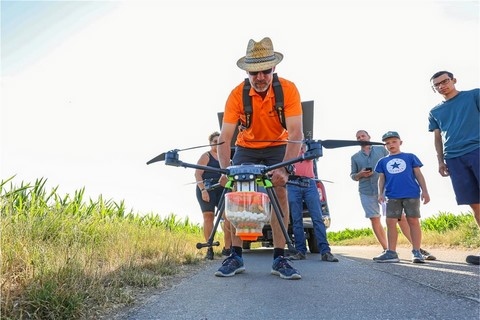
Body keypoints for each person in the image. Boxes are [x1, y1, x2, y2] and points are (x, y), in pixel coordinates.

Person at [215, 37, 304, 280]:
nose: (260, 77)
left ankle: (279, 257)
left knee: (280, 191)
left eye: (265, 70)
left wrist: (285, 170)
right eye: (254, 72)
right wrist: (226, 171)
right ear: (247, 71)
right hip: (247, 147)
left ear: (273, 68)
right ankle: (235, 255)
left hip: (278, 145)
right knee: (235, 193)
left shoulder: (288, 89)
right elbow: (224, 137)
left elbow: (296, 132)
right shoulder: (236, 95)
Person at [350, 130, 436, 260]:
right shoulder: (356, 157)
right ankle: (389, 250)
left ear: (369, 137)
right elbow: (355, 175)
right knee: (379, 219)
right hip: (369, 190)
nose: (361, 138)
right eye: (358, 137)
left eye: (363, 135)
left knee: (404, 219)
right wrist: (360, 174)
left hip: (397, 191)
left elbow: (411, 170)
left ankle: (417, 249)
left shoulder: (382, 150)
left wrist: (425, 190)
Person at [428, 71, 480, 266]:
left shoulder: (474, 95)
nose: (442, 86)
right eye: (437, 85)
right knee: (474, 204)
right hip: (454, 157)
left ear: (453, 80)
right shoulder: (435, 111)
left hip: (477, 149)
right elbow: (437, 137)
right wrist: (440, 160)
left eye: (445, 81)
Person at [373, 131, 430, 263]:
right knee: (390, 222)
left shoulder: (410, 157)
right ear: (384, 146)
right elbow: (381, 179)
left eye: (394, 141)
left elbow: (419, 174)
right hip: (392, 196)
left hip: (411, 194)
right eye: (387, 143)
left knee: (413, 221)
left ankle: (416, 252)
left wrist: (425, 191)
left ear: (400, 142)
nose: (391, 144)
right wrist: (380, 193)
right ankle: (391, 252)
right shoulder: (383, 161)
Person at [287, 143, 338, 262]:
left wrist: (314, 144)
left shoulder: (309, 149)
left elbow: (316, 152)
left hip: (309, 183)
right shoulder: (288, 150)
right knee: (296, 219)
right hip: (292, 183)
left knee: (317, 218)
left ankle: (325, 252)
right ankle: (300, 251)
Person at [194, 131, 232, 260]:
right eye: (215, 141)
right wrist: (203, 190)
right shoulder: (206, 156)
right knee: (208, 216)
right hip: (207, 189)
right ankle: (209, 248)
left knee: (228, 217)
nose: (217, 144)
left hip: (222, 190)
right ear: (210, 144)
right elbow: (197, 174)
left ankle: (227, 248)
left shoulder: (227, 159)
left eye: (219, 141)